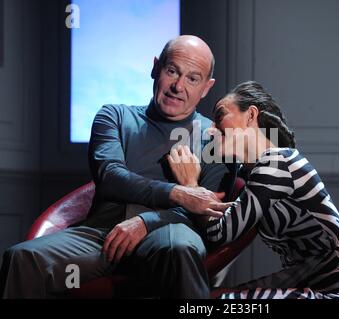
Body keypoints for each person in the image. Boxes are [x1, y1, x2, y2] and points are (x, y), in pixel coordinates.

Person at [0, 35, 235, 299]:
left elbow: (210, 209)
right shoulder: (114, 115)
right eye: (172, 71)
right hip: (102, 235)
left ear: (206, 87)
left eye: (193, 78)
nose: (178, 86)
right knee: (21, 258)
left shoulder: (214, 137)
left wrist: (146, 222)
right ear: (156, 68)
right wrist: (177, 193)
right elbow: (110, 177)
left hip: (169, 233)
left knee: (180, 246)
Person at [169, 81, 339, 299]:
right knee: (211, 296)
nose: (210, 130)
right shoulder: (251, 174)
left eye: (220, 116)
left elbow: (218, 234)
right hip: (306, 283)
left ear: (250, 115)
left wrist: (190, 186)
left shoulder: (277, 162)